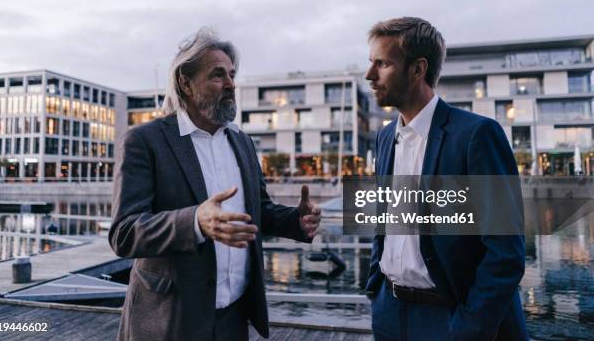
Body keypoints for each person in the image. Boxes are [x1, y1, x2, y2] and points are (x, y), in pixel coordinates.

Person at [109, 28, 321, 341]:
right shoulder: (144, 141)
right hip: (169, 321)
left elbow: (257, 210)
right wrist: (196, 221)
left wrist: (295, 220)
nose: (231, 84)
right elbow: (124, 232)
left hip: (233, 320)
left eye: (232, 75)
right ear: (186, 82)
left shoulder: (242, 142)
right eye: (218, 75)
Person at [364, 17, 527, 340]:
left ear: (417, 69)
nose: (369, 75)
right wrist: (376, 289)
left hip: (448, 318)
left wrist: (468, 327)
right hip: (389, 314)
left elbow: (506, 252)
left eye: (382, 64)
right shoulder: (385, 138)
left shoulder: (476, 136)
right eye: (371, 63)